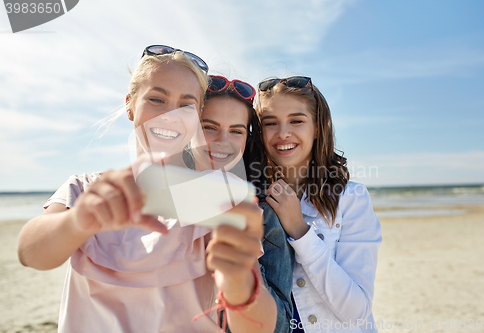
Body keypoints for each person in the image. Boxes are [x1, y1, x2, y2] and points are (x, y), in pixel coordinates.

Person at [17, 45, 276, 333]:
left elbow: (258, 328)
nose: (171, 115)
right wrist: (79, 221)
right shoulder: (86, 188)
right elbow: (30, 253)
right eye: (157, 99)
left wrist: (240, 281)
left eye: (186, 105)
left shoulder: (220, 199)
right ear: (130, 104)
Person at [255, 76, 382, 333]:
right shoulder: (252, 200)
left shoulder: (351, 198)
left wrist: (300, 231)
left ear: (318, 128)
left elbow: (357, 312)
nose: (283, 133)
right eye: (271, 123)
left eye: (296, 121)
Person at [188, 75, 295, 332]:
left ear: (247, 139)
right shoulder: (156, 199)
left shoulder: (263, 213)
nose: (223, 140)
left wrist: (246, 274)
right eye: (209, 127)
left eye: (236, 130)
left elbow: (282, 327)